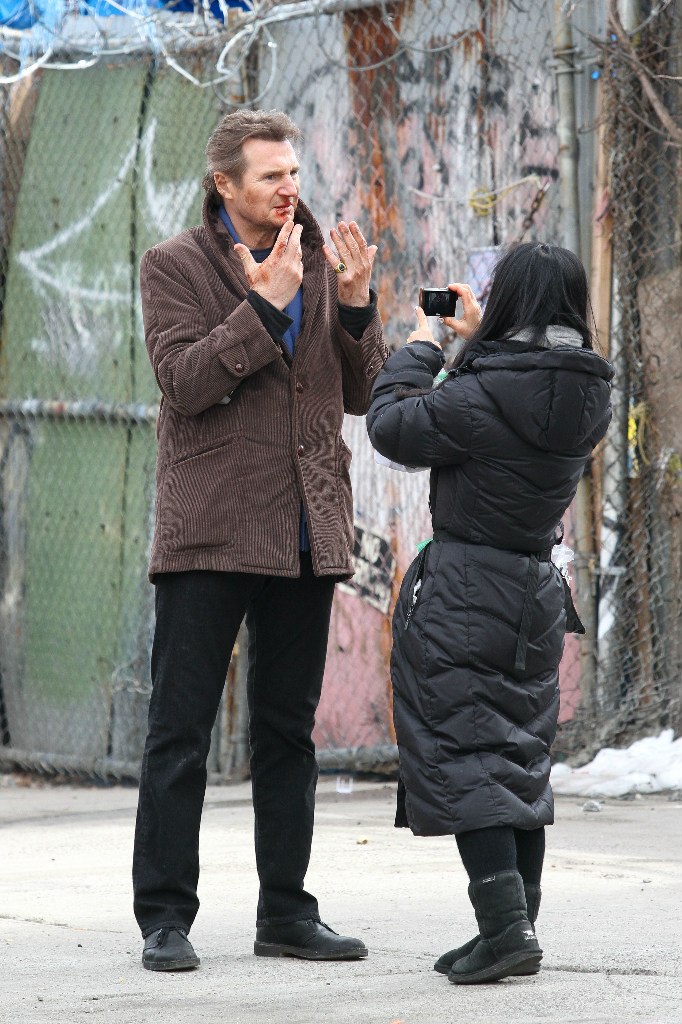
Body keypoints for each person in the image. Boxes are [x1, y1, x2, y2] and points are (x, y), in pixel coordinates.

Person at [133, 108, 386, 971]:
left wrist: (354, 308)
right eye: (271, 176)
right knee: (181, 731)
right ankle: (165, 917)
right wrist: (261, 305)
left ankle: (286, 912)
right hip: (210, 528)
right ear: (225, 185)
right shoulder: (171, 267)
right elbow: (184, 383)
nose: (290, 189)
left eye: (294, 174)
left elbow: (364, 394)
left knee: (288, 734)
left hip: (307, 528)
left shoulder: (319, 261)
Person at [366, 242, 613, 984]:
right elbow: (520, 389)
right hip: (536, 589)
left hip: (468, 586)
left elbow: (391, 425)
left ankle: (505, 930)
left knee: (471, 757)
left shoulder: (480, 394)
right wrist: (484, 343)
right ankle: (515, 926)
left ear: (509, 303)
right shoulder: (584, 392)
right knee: (517, 756)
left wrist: (424, 342)